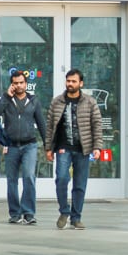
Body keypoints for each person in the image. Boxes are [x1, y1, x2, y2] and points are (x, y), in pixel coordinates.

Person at [45, 68, 102, 230]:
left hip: (83, 149)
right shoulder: (57, 102)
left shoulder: (90, 102)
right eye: (68, 81)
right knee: (62, 178)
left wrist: (97, 147)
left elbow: (97, 125)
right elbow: (50, 127)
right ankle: (64, 210)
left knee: (80, 184)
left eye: (73, 81)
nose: (70, 84)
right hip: (63, 147)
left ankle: (76, 218)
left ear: (81, 83)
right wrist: (48, 148)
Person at [0, 69, 46, 225]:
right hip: (11, 145)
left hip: (30, 145)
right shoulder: (6, 100)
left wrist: (48, 145)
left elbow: (42, 124)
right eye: (15, 83)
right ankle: (15, 213)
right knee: (12, 180)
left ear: (26, 84)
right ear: (12, 84)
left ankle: (28, 212)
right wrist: (6, 96)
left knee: (29, 176)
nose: (19, 85)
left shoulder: (34, 100)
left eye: (21, 83)